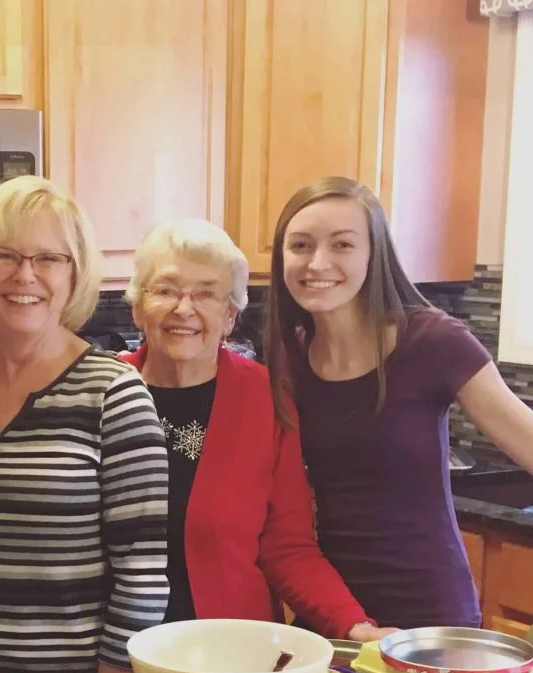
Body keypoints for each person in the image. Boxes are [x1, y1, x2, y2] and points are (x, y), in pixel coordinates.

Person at [0, 175, 169, 673]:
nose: (24, 275)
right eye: (5, 255)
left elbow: (141, 575)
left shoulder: (113, 395)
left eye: (49, 258)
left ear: (75, 275)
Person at [266, 176, 533, 630]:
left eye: (343, 245)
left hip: (429, 611)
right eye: (301, 245)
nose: (318, 262)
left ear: (375, 254)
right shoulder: (289, 356)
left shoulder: (432, 341)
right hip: (336, 612)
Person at [120, 218, 389, 641]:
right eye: (166, 290)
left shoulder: (263, 399)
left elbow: (287, 545)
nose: (184, 309)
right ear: (138, 306)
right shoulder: (101, 391)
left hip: (234, 655)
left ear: (230, 316)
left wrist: (354, 625)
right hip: (115, 659)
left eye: (206, 293)